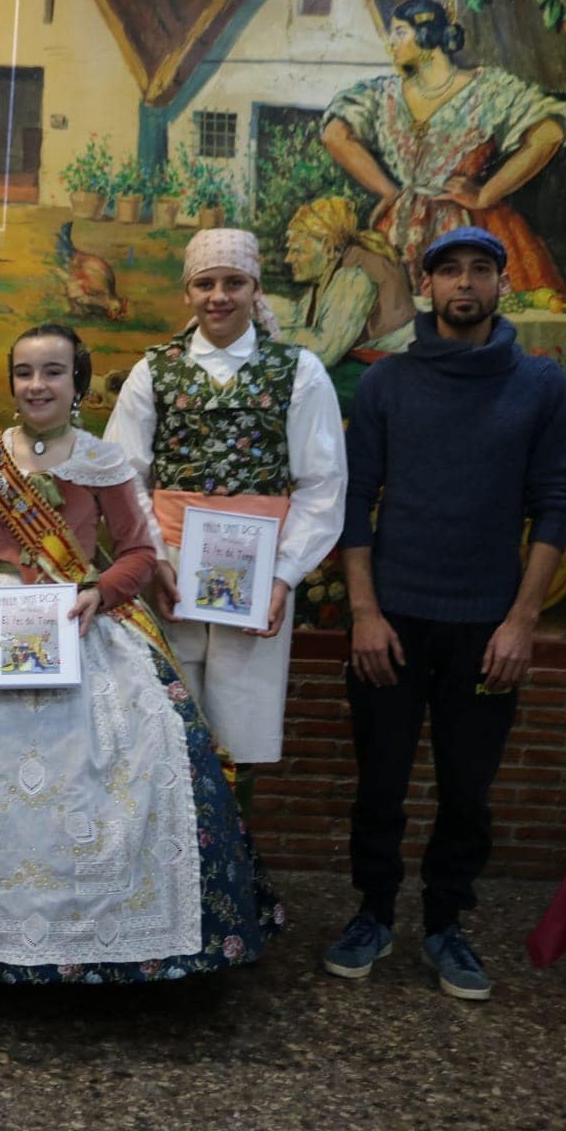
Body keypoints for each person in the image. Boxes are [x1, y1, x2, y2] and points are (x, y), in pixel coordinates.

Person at [0, 323, 280, 982]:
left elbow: (137, 551)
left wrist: (102, 593)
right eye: (24, 372)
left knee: (122, 763)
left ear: (78, 383)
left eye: (53, 372)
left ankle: (104, 938)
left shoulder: (102, 462)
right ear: (11, 382)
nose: (37, 384)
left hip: (84, 625)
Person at [323, 226, 566, 1001]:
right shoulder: (387, 385)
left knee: (468, 789)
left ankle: (445, 925)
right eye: (449, 272)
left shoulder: (541, 385)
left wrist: (522, 622)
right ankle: (373, 913)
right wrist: (364, 614)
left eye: (480, 270)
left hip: (486, 628)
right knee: (381, 785)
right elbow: (354, 505)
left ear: (503, 284)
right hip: (391, 622)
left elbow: (556, 506)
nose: (464, 284)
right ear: (427, 287)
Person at [103, 229, 346, 805]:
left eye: (233, 283)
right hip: (171, 565)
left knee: (240, 729)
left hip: (255, 572)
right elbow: (122, 476)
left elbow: (322, 483)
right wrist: (153, 560)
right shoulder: (154, 371)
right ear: (188, 292)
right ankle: (174, 879)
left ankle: (234, 880)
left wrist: (284, 574)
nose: (219, 296)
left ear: (255, 288)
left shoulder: (299, 371)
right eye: (205, 283)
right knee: (167, 722)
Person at [322, 0, 566, 296]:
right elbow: (334, 135)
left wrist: (484, 195)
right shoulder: (383, 94)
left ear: (429, 36)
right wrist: (389, 191)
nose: (392, 43)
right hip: (400, 231)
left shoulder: (486, 90)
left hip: (467, 230)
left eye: (400, 33)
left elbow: (549, 135)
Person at [269, 196, 416, 414]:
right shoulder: (335, 268)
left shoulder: (354, 277)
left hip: (394, 372)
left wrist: (269, 336)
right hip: (370, 363)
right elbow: (299, 314)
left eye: (298, 250)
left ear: (328, 247)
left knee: (292, 388)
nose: (290, 259)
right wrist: (252, 309)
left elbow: (325, 350)